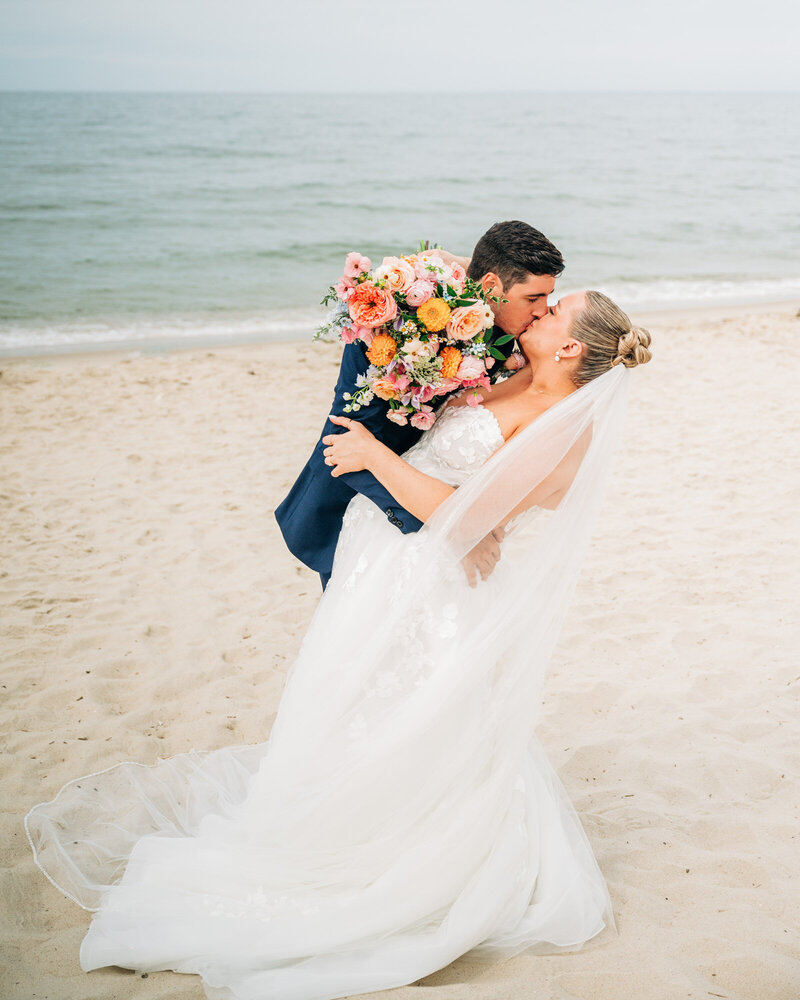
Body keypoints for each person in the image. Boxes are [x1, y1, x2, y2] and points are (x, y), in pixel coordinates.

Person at [25, 288, 652, 1000]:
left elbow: (465, 517)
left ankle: (386, 847)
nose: (537, 312)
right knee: (349, 695)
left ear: (570, 346)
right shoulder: (513, 370)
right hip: (386, 560)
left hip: (433, 587)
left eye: (552, 311)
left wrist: (372, 457)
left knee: (408, 710)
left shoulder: (561, 429)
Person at [275, 220, 565, 590]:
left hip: (438, 507)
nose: (542, 310)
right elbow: (347, 440)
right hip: (354, 507)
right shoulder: (398, 321)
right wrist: (452, 533)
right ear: (492, 285)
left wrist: (468, 524)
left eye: (548, 297)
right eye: (533, 298)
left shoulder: (509, 330)